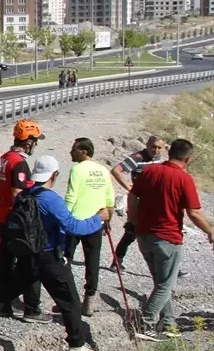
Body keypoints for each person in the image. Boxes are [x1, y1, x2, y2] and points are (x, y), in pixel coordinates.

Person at [0, 155, 108, 351]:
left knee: (7, 291)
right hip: (49, 256)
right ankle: (77, 346)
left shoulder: (25, 194)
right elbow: (73, 227)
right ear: (54, 175)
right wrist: (98, 219)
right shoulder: (50, 199)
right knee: (70, 302)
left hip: (28, 253)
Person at [128, 139, 214, 340]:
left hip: (144, 236)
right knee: (166, 284)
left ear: (169, 152)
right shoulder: (183, 179)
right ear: (188, 158)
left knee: (160, 282)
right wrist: (210, 231)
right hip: (168, 237)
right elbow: (193, 213)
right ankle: (146, 323)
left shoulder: (149, 171)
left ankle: (168, 323)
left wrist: (132, 222)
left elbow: (132, 197)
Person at [0, 120, 44, 321]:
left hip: (3, 215)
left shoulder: (5, 157)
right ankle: (32, 308)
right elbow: (17, 192)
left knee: (4, 260)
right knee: (30, 262)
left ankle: (2, 302)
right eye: (35, 140)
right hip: (16, 220)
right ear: (29, 141)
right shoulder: (19, 162)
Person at [65, 138, 115, 316]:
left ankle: (69, 298)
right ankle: (89, 301)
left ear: (84, 152)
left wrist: (63, 218)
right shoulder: (103, 170)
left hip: (76, 220)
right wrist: (109, 218)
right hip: (96, 220)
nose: (71, 152)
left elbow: (71, 196)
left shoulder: (77, 169)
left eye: (74, 150)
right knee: (92, 260)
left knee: (65, 258)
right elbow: (110, 198)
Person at [110, 136, 167, 266]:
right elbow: (116, 170)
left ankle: (167, 264)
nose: (156, 150)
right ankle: (117, 261)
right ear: (147, 145)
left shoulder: (160, 160)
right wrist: (128, 187)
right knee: (131, 232)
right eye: (153, 146)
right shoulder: (137, 158)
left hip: (156, 203)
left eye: (159, 148)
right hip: (139, 202)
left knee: (161, 234)